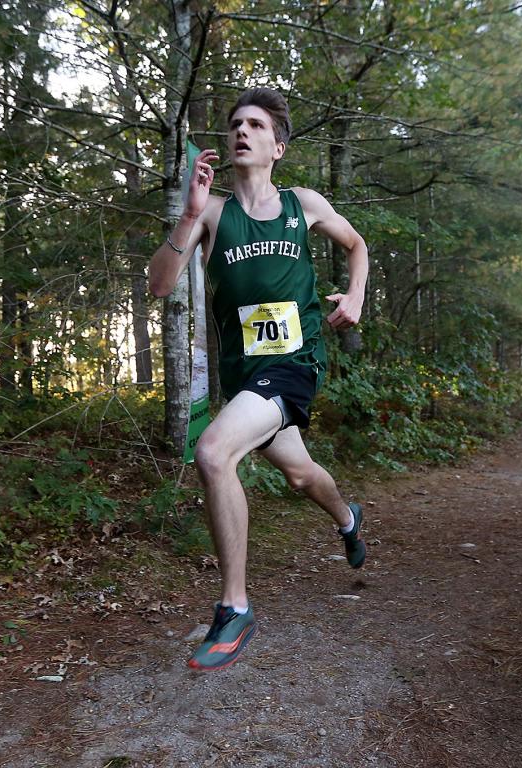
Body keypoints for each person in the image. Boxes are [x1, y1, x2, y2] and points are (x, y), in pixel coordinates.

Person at [148, 87, 370, 672]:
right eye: (235, 125)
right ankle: (349, 519)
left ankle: (234, 607)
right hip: (245, 377)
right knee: (300, 475)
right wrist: (190, 215)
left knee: (215, 452)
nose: (241, 132)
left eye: (255, 125)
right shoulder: (215, 213)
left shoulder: (304, 204)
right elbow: (161, 284)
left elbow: (357, 245)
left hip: (295, 364)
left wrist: (355, 294)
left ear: (278, 145)